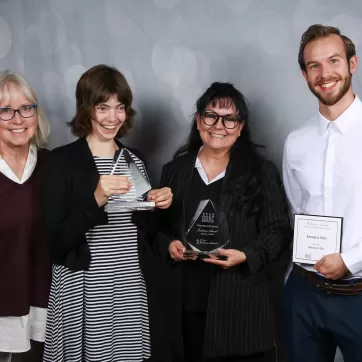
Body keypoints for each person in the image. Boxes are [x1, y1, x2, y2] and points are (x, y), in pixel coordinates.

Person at [40, 64, 173, 362]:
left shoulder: (133, 160)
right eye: (103, 107)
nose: (112, 118)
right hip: (82, 288)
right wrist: (97, 197)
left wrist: (158, 202)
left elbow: (142, 230)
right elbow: (57, 242)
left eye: (120, 107)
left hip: (126, 284)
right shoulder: (61, 162)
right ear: (86, 109)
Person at [155, 82, 291, 362]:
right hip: (185, 306)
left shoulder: (261, 172)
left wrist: (247, 254)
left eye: (230, 119)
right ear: (198, 120)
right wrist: (169, 244)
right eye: (211, 116)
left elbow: (278, 230)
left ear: (241, 127)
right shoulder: (175, 171)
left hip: (240, 307)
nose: (219, 125)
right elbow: (156, 230)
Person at [282, 24, 362, 362]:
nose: (325, 73)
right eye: (314, 65)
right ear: (304, 74)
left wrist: (350, 260)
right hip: (304, 293)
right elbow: (296, 210)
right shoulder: (296, 142)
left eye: (334, 61)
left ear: (352, 64)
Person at [0, 70, 51, 362]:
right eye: (5, 110)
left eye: (25, 108)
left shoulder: (55, 165)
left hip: (45, 309)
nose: (17, 119)